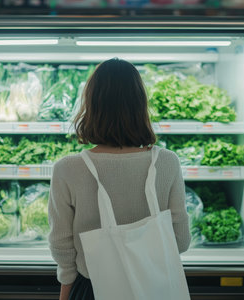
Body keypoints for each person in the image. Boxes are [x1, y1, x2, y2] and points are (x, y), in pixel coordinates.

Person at [48, 58, 191, 300]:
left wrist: (66, 293)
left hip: (92, 289)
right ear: (140, 106)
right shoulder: (167, 162)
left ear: (91, 107)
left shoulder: (68, 169)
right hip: (154, 287)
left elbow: (62, 246)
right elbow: (181, 241)